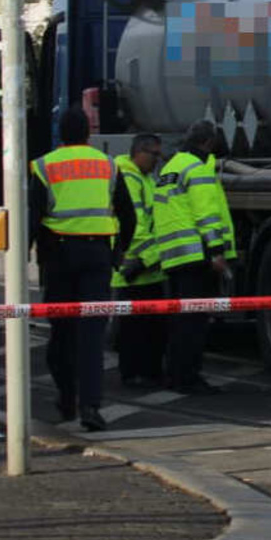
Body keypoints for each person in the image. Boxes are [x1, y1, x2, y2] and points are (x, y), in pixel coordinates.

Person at [30, 106, 134, 432]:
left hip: (60, 257)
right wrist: (119, 252)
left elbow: (32, 217)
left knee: (61, 333)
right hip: (98, 256)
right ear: (88, 132)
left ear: (60, 133)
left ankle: (66, 397)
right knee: (91, 336)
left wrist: (30, 257)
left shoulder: (45, 166)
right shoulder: (107, 165)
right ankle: (91, 406)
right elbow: (128, 215)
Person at [153, 119, 236, 394]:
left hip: (174, 257)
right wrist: (216, 252)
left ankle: (175, 374)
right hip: (196, 256)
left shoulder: (170, 167)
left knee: (179, 321)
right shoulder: (197, 170)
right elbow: (206, 215)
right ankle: (188, 377)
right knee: (195, 322)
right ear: (207, 143)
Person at [111, 133, 167, 389]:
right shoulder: (130, 178)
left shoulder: (142, 178)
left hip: (146, 267)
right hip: (135, 268)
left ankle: (145, 372)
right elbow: (135, 227)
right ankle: (134, 374)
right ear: (139, 152)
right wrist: (147, 258)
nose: (158, 159)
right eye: (154, 154)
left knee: (150, 327)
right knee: (136, 328)